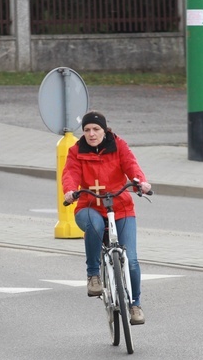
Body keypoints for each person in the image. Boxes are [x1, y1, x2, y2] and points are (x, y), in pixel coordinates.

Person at [62, 111, 152, 325]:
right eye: (86, 130)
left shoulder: (119, 145)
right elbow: (70, 173)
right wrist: (70, 190)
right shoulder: (76, 151)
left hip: (121, 207)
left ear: (104, 130)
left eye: (96, 129)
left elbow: (131, 166)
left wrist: (141, 182)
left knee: (131, 260)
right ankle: (93, 275)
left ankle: (135, 304)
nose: (91, 134)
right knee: (94, 225)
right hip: (89, 205)